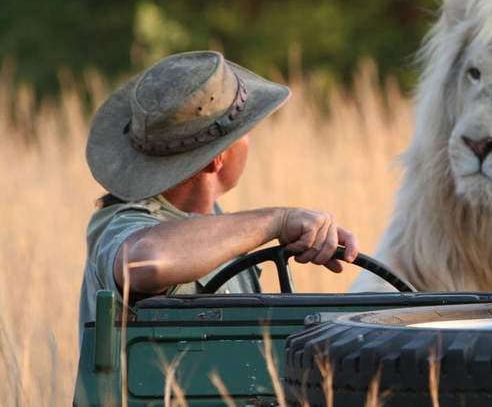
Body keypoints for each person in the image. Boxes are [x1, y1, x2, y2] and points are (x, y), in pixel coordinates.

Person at [78, 51, 358, 329]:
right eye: (243, 131)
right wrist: (278, 221)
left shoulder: (216, 225)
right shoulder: (122, 223)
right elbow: (147, 261)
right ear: (217, 159)